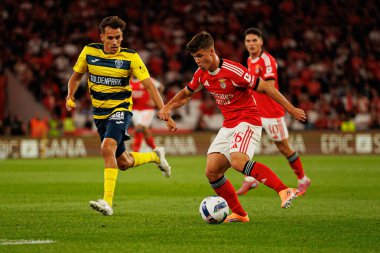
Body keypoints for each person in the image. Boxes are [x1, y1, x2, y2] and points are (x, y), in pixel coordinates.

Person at [158, 31, 306, 223]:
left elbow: (267, 87)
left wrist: (291, 109)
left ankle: (284, 189)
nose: (197, 60)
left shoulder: (234, 70)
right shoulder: (201, 74)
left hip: (248, 120)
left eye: (200, 56)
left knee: (238, 161)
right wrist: (168, 106)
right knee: (212, 171)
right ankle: (240, 214)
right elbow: (187, 93)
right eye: (194, 57)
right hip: (229, 125)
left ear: (211, 51)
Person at [65, 16, 176, 216]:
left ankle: (107, 202)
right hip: (99, 114)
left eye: (118, 37)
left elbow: (149, 85)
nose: (115, 42)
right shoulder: (89, 52)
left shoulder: (130, 57)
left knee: (107, 147)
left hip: (121, 110)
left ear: (122, 37)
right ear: (102, 38)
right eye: (110, 38)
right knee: (123, 162)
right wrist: (70, 96)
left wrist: (164, 110)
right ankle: (155, 156)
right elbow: (75, 77)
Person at [236, 28, 311, 196]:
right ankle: (250, 180)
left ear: (261, 42)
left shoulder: (267, 60)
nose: (251, 44)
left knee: (284, 148)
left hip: (272, 112)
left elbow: (268, 87)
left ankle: (303, 179)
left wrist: (250, 85)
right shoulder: (249, 60)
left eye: (254, 40)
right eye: (248, 41)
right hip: (255, 111)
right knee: (247, 145)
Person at [130, 76, 161, 152]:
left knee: (140, 127)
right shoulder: (127, 81)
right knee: (144, 130)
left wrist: (153, 100)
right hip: (134, 109)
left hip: (147, 109)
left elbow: (160, 87)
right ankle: (156, 149)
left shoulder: (145, 78)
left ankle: (135, 151)